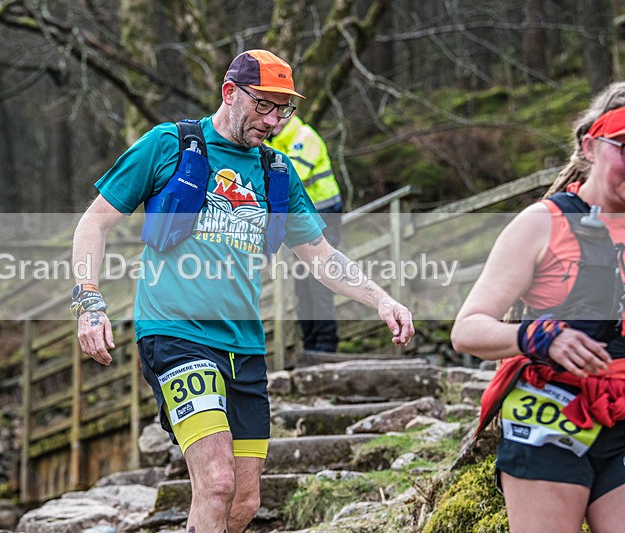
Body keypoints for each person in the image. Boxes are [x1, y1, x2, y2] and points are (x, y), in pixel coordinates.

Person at [72, 49, 414, 532]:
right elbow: (93, 225)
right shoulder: (168, 144)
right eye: (264, 105)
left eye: (284, 109)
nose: (274, 120)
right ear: (230, 93)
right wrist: (89, 301)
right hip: (175, 334)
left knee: (243, 503)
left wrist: (381, 298)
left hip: (245, 348)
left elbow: (321, 256)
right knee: (215, 481)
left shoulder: (278, 172)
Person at [452, 82, 625, 533]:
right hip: (549, 414)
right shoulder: (540, 223)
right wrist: (534, 337)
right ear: (590, 146)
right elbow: (467, 329)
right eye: (624, 146)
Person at [266, 115, 343, 352]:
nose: (271, 121)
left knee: (320, 278)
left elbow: (291, 177)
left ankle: (325, 343)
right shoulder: (276, 143)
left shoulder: (304, 137)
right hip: (301, 217)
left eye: (278, 115)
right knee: (301, 280)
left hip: (324, 214)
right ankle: (310, 342)